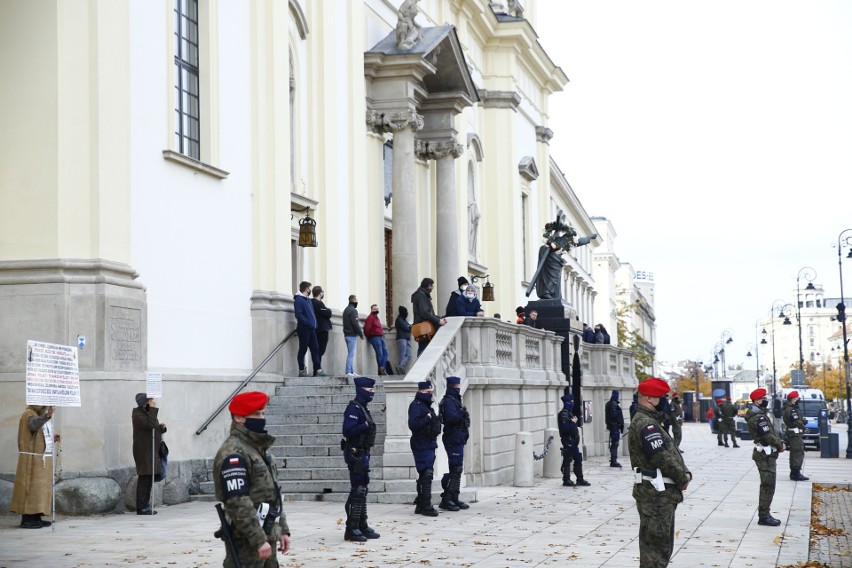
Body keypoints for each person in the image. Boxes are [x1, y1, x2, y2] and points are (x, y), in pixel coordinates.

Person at [213, 391, 291, 565]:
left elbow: (273, 494)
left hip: (267, 534)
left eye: (263, 413)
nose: (261, 418)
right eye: (256, 414)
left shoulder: (258, 450)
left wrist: (283, 530)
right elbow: (237, 501)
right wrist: (258, 539)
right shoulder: (234, 452)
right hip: (246, 540)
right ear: (239, 418)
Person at [628, 378, 692, 568]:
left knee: (658, 549)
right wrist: (682, 478)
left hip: (658, 495)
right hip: (655, 496)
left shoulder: (650, 421)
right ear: (649, 398)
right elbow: (661, 457)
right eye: (661, 397)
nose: (664, 401)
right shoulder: (646, 424)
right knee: (656, 553)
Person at [342, 376, 381, 541]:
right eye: (369, 390)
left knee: (363, 488)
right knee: (358, 490)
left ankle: (362, 525)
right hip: (355, 453)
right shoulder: (353, 409)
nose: (372, 393)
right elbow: (347, 431)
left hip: (363, 452)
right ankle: (351, 528)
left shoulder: (363, 408)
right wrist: (363, 426)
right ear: (361, 390)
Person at [10, 404, 59, 528]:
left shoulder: (36, 414)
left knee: (38, 489)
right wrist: (48, 415)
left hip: (38, 459)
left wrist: (51, 438)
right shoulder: (29, 413)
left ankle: (36, 516)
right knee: (30, 488)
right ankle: (28, 519)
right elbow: (33, 425)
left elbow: (36, 434)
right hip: (30, 460)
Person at [745, 388, 786, 526]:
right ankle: (764, 516)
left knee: (768, 484)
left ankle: (765, 513)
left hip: (764, 454)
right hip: (765, 455)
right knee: (768, 485)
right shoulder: (759, 417)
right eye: (763, 398)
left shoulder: (758, 415)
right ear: (757, 401)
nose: (765, 401)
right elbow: (767, 436)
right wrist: (780, 445)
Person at [408, 380, 441, 516]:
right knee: (426, 473)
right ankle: (426, 505)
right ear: (420, 392)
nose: (430, 395)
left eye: (431, 392)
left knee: (425, 474)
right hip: (421, 443)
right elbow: (413, 425)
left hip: (429, 442)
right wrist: (427, 418)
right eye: (427, 392)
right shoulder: (416, 405)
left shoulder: (426, 406)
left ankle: (421, 504)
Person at [439, 376, 471, 511]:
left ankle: (454, 497)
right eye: (457, 387)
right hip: (453, 438)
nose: (459, 389)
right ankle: (447, 498)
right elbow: (451, 418)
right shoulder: (449, 401)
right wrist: (462, 413)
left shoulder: (455, 400)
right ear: (453, 387)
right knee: (455, 468)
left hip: (458, 438)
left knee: (457, 469)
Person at [132, 393, 166, 515]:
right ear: (145, 402)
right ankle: (141, 507)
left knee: (149, 478)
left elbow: (153, 427)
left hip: (151, 450)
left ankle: (145, 505)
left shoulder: (147, 412)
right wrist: (152, 409)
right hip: (143, 451)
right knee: (144, 478)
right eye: (150, 400)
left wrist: (161, 428)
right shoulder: (137, 414)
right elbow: (149, 425)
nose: (153, 401)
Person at [557, 391, 590, 487]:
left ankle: (580, 479)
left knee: (578, 458)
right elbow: (565, 428)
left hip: (573, 441)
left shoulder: (569, 413)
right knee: (567, 460)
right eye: (571, 401)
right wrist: (573, 423)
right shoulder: (563, 414)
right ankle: (566, 479)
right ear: (567, 403)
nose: (572, 403)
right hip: (568, 441)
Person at [294, 281, 327, 377]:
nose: (310, 290)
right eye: (309, 288)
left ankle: (318, 370)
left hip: (312, 329)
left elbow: (312, 314)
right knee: (303, 349)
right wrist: (309, 323)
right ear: (305, 289)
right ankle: (301, 370)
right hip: (304, 328)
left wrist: (314, 324)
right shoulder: (299, 300)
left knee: (315, 349)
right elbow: (299, 315)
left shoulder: (308, 300)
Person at [412, 278, 447, 357]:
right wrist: (438, 320)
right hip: (424, 327)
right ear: (428, 285)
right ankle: (419, 367)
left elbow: (427, 312)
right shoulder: (421, 295)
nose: (432, 287)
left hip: (424, 326)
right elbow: (425, 312)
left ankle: (420, 367)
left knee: (424, 348)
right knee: (423, 348)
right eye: (432, 286)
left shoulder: (421, 294)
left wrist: (439, 318)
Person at [782, 391, 809, 481]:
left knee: (795, 453)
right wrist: (803, 426)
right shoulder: (791, 409)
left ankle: (794, 473)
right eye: (797, 397)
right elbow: (796, 421)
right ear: (793, 399)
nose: (798, 399)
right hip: (795, 434)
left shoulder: (790, 408)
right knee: (797, 453)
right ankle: (796, 473)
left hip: (793, 433)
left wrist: (802, 421)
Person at [364, 304, 390, 376]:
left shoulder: (376, 318)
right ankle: (381, 370)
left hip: (380, 337)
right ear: (371, 310)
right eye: (374, 309)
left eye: (377, 309)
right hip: (375, 337)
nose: (376, 310)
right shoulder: (370, 318)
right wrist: (369, 336)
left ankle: (382, 368)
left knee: (386, 353)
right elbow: (367, 329)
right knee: (380, 354)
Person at [343, 295, 364, 377]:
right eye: (356, 300)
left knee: (350, 353)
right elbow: (355, 323)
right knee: (351, 354)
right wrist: (361, 334)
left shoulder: (346, 310)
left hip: (346, 334)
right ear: (354, 300)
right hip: (351, 335)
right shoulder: (353, 310)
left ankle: (352, 371)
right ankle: (348, 371)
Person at [311, 286, 333, 362]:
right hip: (321, 329)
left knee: (318, 350)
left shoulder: (314, 302)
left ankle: (318, 368)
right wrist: (328, 310)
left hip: (318, 328)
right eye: (322, 292)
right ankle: (317, 369)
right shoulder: (317, 303)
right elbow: (328, 313)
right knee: (320, 349)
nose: (323, 293)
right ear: (320, 293)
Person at [605, 390, 624, 467]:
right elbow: (614, 415)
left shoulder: (610, 403)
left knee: (614, 443)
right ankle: (613, 460)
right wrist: (620, 423)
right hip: (614, 426)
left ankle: (613, 459)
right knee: (615, 443)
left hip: (614, 426)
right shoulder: (613, 404)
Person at [395, 305, 413, 376]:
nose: (407, 313)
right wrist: (410, 327)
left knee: (409, 355)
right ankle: (400, 368)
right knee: (403, 354)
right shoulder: (399, 320)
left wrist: (410, 327)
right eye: (406, 312)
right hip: (402, 339)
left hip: (406, 339)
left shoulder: (403, 320)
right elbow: (407, 328)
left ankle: (400, 366)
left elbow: (409, 327)